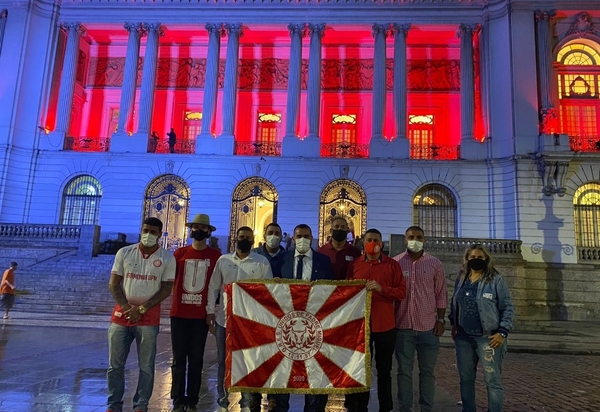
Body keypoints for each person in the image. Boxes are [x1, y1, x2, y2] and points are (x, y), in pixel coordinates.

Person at [106, 217, 176, 412]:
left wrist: (142, 309)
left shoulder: (167, 258)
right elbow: (113, 284)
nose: (148, 235)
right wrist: (127, 308)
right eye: (146, 230)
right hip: (121, 317)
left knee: (146, 366)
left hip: (148, 320)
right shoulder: (125, 253)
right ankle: (113, 404)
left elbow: (166, 289)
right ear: (141, 230)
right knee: (115, 365)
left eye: (153, 232)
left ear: (160, 235)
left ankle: (141, 404)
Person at [206, 226, 273, 412]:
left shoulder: (261, 262)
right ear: (235, 239)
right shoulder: (223, 260)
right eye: (241, 237)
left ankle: (246, 402)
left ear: (253, 240)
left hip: (248, 322)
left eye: (247, 238)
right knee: (222, 361)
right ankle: (222, 400)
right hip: (223, 320)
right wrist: (210, 311)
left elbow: (267, 291)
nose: (244, 240)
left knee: (247, 362)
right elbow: (213, 287)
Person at [274, 223, 334, 412]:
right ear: (293, 238)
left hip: (314, 326)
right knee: (284, 370)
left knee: (314, 370)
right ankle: (281, 407)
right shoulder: (281, 260)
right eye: (299, 236)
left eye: (306, 236)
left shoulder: (323, 261)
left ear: (312, 238)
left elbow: (331, 291)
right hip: (286, 325)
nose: (303, 240)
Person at [345, 228, 406, 412]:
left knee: (384, 370)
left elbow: (401, 292)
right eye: (369, 239)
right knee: (360, 369)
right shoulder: (355, 265)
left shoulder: (392, 265)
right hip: (361, 326)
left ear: (382, 243)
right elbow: (346, 291)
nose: (373, 242)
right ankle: (359, 406)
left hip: (384, 325)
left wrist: (382, 289)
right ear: (363, 242)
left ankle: (385, 407)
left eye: (376, 239)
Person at [449, 244, 515, 412]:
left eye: (480, 257)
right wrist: (453, 323)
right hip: (464, 338)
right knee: (466, 379)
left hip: (488, 339)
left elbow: (507, 307)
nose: (476, 260)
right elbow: (454, 302)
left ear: (486, 259)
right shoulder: (461, 278)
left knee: (492, 380)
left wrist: (502, 332)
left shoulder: (496, 280)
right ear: (467, 260)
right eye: (472, 258)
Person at [169, 214, 221, 412]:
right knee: (178, 359)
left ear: (208, 231)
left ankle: (192, 399)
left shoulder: (216, 256)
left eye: (202, 227)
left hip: (200, 316)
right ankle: (177, 399)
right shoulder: (179, 253)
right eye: (195, 226)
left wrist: (212, 311)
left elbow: (217, 286)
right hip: (179, 314)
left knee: (197, 359)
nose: (198, 230)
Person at [393, 226, 447, 412]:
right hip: (403, 327)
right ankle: (405, 407)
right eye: (411, 237)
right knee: (404, 372)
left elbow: (441, 293)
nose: (414, 240)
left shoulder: (434, 263)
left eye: (418, 237)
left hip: (428, 328)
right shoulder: (396, 263)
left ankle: (426, 407)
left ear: (424, 239)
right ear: (405, 239)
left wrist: (441, 320)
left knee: (427, 372)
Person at [252, 222, 287, 411]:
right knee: (258, 356)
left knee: (278, 357)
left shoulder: (287, 257)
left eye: (277, 233)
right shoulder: (254, 256)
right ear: (264, 235)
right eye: (271, 232)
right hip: (257, 314)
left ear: (282, 237)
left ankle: (275, 397)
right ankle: (254, 396)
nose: (274, 236)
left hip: (280, 314)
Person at [317, 216, 361, 280]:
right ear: (331, 231)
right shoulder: (321, 251)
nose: (339, 229)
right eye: (336, 227)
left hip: (347, 289)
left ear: (347, 230)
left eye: (343, 227)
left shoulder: (355, 252)